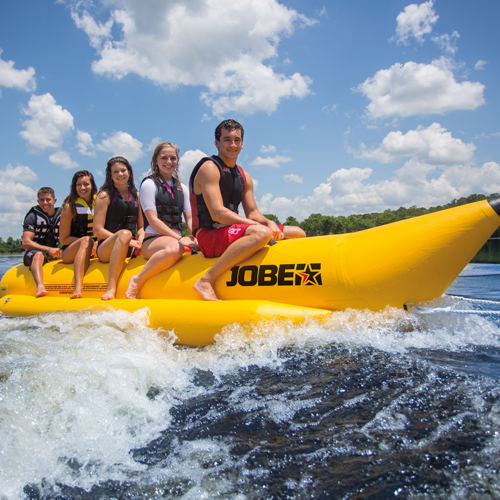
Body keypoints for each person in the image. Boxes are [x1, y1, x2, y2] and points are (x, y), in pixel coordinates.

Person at [189, 119, 306, 301]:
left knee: (298, 233)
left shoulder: (244, 176)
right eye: (227, 139)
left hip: (231, 231)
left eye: (237, 140)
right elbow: (217, 213)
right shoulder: (209, 168)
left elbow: (252, 213)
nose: (232, 144)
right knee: (260, 233)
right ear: (217, 143)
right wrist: (258, 227)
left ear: (242, 144)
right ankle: (206, 279)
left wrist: (269, 222)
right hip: (209, 236)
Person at [125, 142, 198, 299]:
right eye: (164, 158)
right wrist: (179, 238)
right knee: (175, 248)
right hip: (153, 240)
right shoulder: (149, 184)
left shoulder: (182, 188)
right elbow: (152, 220)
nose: (169, 162)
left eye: (173, 158)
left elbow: (190, 218)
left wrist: (197, 236)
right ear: (155, 160)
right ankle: (137, 280)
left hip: (175, 239)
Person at [93, 156, 144, 300]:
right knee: (124, 234)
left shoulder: (137, 196)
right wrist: (126, 239)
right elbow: (97, 230)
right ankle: (111, 288)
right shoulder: (104, 196)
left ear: (129, 172)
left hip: (131, 244)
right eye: (115, 171)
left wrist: (141, 238)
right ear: (110, 175)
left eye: (123, 170)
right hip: (106, 248)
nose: (120, 174)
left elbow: (140, 227)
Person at [59, 170, 98, 299]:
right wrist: (88, 241)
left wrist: (97, 242)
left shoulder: (99, 202)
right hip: (70, 251)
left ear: (92, 185)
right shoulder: (70, 206)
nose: (82, 188)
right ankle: (77, 289)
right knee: (86, 240)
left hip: (95, 248)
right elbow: (64, 239)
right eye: (78, 185)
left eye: (86, 184)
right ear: (74, 187)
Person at [21, 187, 62, 297]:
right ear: (38, 201)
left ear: (55, 200)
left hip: (53, 252)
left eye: (48, 199)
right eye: (41, 200)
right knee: (39, 255)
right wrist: (48, 249)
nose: (45, 203)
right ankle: (40, 286)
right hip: (32, 252)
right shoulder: (32, 215)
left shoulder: (62, 215)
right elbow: (25, 243)